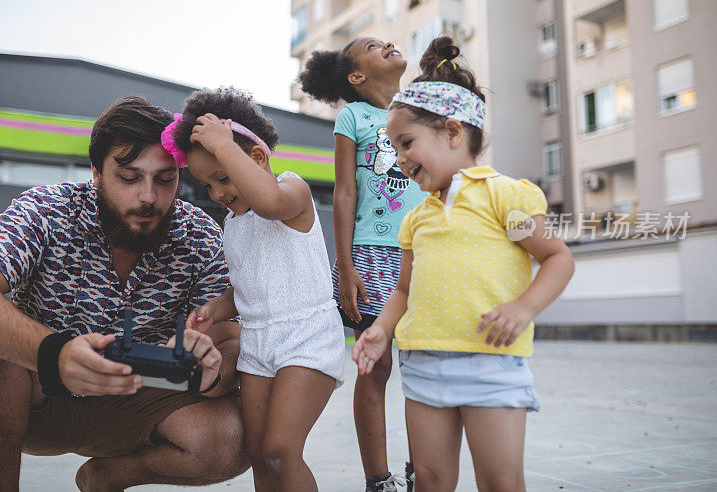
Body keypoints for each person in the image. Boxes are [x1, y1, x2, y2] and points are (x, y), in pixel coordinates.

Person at [0, 96, 250, 491]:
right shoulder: (48, 209)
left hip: (145, 399)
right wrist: (54, 353)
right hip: (39, 396)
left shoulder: (199, 234)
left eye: (164, 180)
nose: (148, 197)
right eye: (129, 178)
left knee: (236, 434)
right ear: (96, 173)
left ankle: (107, 478)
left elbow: (233, 338)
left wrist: (209, 370)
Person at [352, 37, 575, 492]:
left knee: (501, 482)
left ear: (453, 132)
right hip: (423, 365)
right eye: (394, 148)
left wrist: (524, 308)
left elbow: (556, 258)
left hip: (491, 364)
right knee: (431, 481)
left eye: (407, 142)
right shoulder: (417, 218)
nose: (399, 158)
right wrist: (381, 329)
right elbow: (404, 292)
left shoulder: (503, 197)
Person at [163, 86, 346, 492]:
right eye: (207, 186)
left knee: (282, 451)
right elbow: (250, 285)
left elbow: (267, 202)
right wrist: (217, 308)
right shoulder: (234, 225)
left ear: (257, 158)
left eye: (222, 178)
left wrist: (225, 146)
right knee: (260, 453)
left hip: (307, 337)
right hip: (258, 344)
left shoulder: (291, 191)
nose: (217, 194)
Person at [299, 36, 423, 492]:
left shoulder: (419, 112)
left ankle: (421, 471)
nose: (389, 43)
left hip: (423, 254)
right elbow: (345, 193)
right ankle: (378, 479)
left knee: (421, 368)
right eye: (375, 45)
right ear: (357, 76)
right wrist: (345, 265)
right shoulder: (353, 116)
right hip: (370, 255)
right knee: (377, 366)